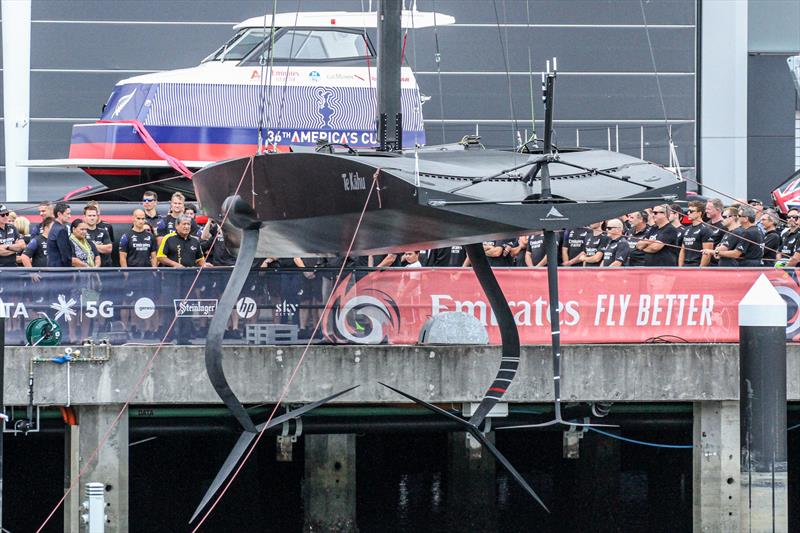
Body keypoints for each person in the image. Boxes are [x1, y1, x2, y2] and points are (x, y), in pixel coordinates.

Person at [678, 200, 713, 267]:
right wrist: (680, 267)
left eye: (691, 211)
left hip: (697, 266)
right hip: (685, 266)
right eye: (688, 211)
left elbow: (707, 253)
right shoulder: (686, 229)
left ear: (699, 213)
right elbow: (683, 250)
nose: (688, 213)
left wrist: (700, 269)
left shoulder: (706, 229)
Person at [47, 202, 73, 267]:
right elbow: (65, 254)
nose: (70, 216)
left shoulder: (54, 227)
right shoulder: (61, 230)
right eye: (67, 214)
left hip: (54, 268)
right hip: (60, 270)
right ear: (59, 214)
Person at [705, 198, 726, 264]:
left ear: (718, 210)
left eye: (709, 209)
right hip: (705, 260)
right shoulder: (706, 224)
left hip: (717, 263)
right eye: (706, 209)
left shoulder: (725, 225)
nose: (706, 211)